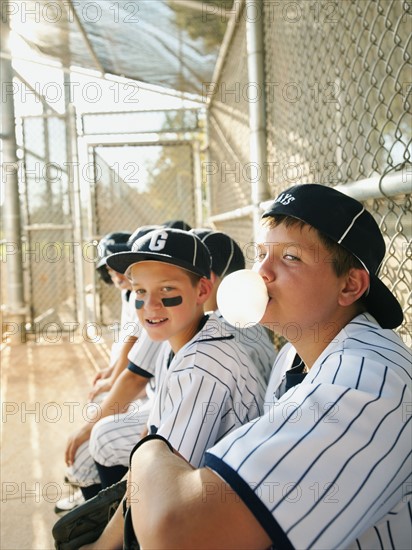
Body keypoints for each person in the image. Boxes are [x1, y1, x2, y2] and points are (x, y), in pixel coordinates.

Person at [84, 183, 410, 550]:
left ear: (350, 285)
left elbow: (177, 534)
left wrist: (150, 446)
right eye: (260, 254)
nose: (262, 272)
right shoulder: (295, 354)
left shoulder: (364, 383)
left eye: (290, 257)